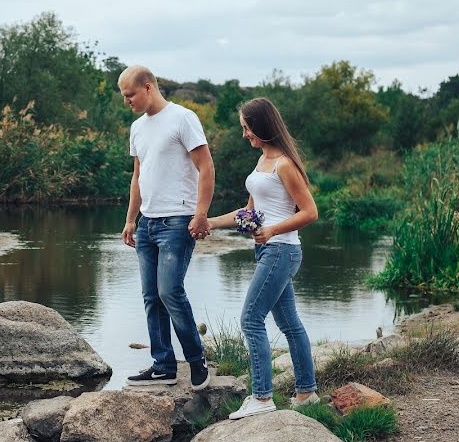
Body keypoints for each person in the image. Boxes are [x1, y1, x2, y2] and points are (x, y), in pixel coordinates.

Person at [207, 97, 319, 419]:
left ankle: (262, 397)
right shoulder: (261, 163)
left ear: (261, 125)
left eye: (246, 127)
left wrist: (270, 231)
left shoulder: (284, 163)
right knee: (288, 323)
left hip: (281, 249)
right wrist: (212, 222)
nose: (244, 134)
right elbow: (250, 214)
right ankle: (306, 393)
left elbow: (310, 212)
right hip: (271, 250)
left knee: (250, 318)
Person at [119, 65, 215, 391]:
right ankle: (163, 366)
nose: (126, 101)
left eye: (129, 95)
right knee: (151, 297)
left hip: (178, 220)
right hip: (147, 223)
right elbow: (138, 176)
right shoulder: (136, 128)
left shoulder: (183, 118)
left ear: (147, 87)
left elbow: (206, 167)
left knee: (169, 291)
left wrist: (201, 214)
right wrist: (132, 219)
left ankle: (196, 359)